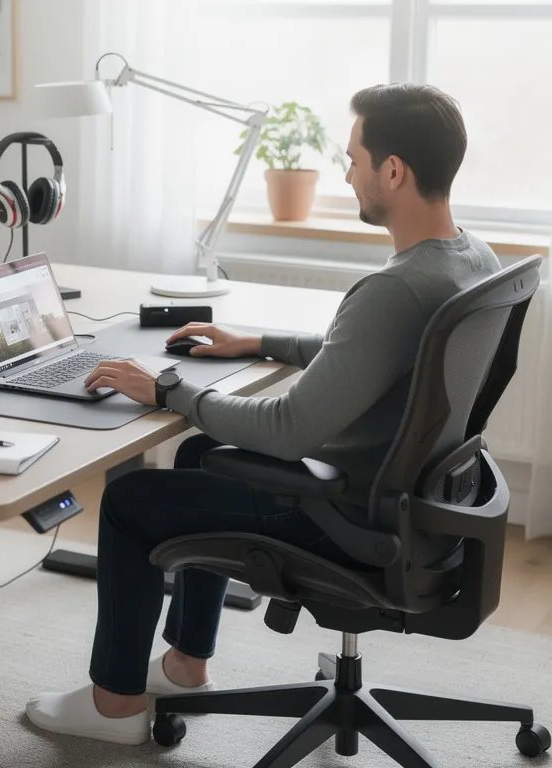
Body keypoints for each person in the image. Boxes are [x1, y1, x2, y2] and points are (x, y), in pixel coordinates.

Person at [25, 82, 502, 745]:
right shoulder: (470, 258)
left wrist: (168, 390)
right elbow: (375, 357)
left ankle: (114, 710)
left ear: (393, 171)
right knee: (197, 458)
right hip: (409, 504)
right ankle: (186, 666)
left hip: (342, 517)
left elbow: (286, 428)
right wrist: (261, 342)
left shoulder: (394, 290)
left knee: (132, 499)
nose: (347, 171)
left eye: (354, 157)